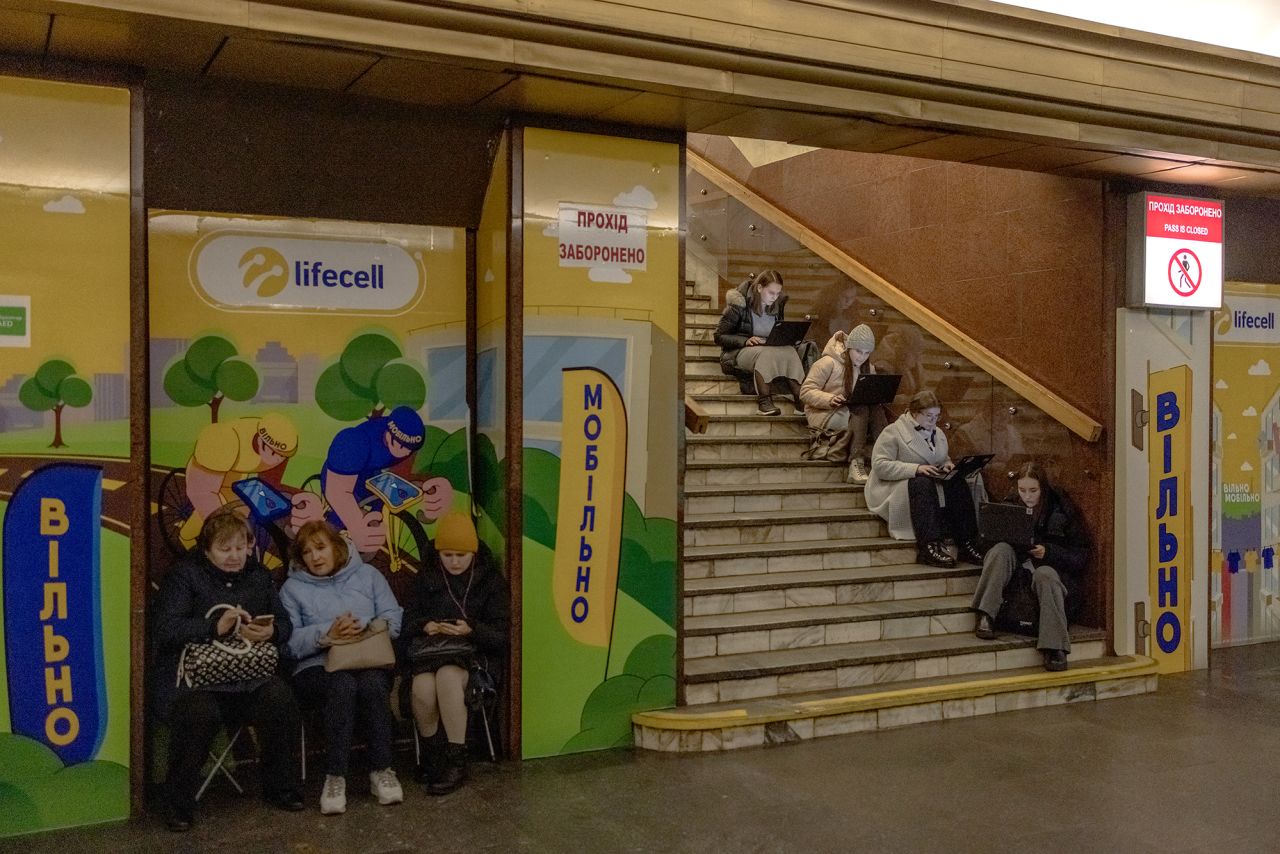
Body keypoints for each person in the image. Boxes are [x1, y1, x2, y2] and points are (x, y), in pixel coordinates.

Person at [151, 510, 303, 832]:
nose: (235, 557)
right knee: (197, 713)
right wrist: (213, 627)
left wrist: (270, 633)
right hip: (195, 682)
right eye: (225, 549)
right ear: (207, 550)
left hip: (246, 676)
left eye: (240, 548)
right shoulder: (185, 576)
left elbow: (285, 623)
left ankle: (281, 788)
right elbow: (164, 630)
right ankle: (178, 803)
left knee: (279, 697)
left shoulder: (259, 576)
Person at [280, 520, 405, 815]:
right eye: (307, 552)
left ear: (336, 547)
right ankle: (335, 776)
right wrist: (327, 635)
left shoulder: (368, 575)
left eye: (321, 548)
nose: (315, 557)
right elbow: (288, 642)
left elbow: (394, 618)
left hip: (368, 656)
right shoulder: (291, 589)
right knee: (343, 685)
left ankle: (382, 770)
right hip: (316, 666)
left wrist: (364, 627)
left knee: (373, 684)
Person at [401, 513, 508, 795]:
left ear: (473, 552)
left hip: (474, 657)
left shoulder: (490, 581)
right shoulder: (426, 577)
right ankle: (432, 755)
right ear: (438, 553)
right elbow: (407, 622)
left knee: (448, 678)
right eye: (448, 555)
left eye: (461, 555)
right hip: (432, 654)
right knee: (422, 686)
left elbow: (502, 637)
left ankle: (456, 759)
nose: (455, 562)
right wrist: (426, 625)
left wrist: (470, 629)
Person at [972, 462, 1090, 672]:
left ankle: (1055, 647)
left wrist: (1049, 552)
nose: (1027, 496)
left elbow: (1080, 556)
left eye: (1033, 491)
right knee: (1000, 550)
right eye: (1022, 490)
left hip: (1052, 571)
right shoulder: (1011, 505)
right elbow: (984, 546)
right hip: (1017, 569)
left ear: (1043, 489)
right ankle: (985, 614)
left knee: (1045, 575)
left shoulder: (1062, 509)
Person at [864, 389, 985, 568]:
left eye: (936, 416)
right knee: (921, 483)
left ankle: (966, 542)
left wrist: (947, 465)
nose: (933, 421)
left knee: (957, 481)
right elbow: (880, 465)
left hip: (928, 481)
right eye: (928, 416)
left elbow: (941, 457)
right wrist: (916, 468)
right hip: (894, 485)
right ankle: (929, 545)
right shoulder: (893, 432)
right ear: (914, 413)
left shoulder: (938, 433)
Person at [321, 405, 453, 553]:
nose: (404, 453)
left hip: (373, 474)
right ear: (388, 433)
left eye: (409, 449)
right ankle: (325, 538)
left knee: (386, 501)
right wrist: (356, 526)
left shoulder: (408, 447)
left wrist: (430, 489)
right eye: (400, 445)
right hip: (343, 475)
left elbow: (404, 475)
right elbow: (337, 492)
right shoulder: (354, 441)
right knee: (341, 516)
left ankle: (370, 528)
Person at [180, 412, 322, 548]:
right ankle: (185, 536)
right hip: (210, 465)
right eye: (273, 453)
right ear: (261, 442)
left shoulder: (280, 449)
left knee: (242, 508)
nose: (277, 460)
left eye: (283, 457)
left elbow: (272, 486)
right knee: (219, 515)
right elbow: (203, 492)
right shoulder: (224, 439)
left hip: (235, 469)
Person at [800, 324, 886, 484]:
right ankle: (856, 462)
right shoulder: (827, 362)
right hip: (825, 412)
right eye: (858, 351)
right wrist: (830, 399)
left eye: (867, 353)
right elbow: (805, 392)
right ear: (849, 348)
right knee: (861, 408)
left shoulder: (869, 368)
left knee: (875, 407)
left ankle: (886, 457)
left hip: (853, 412)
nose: (862, 357)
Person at [715, 269, 807, 416]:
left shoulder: (777, 305)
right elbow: (719, 336)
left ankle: (800, 400)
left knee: (790, 351)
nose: (775, 297)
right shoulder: (738, 304)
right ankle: (764, 401)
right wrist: (745, 340)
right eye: (771, 293)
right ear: (759, 288)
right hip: (738, 352)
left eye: (778, 293)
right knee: (766, 353)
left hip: (767, 347)